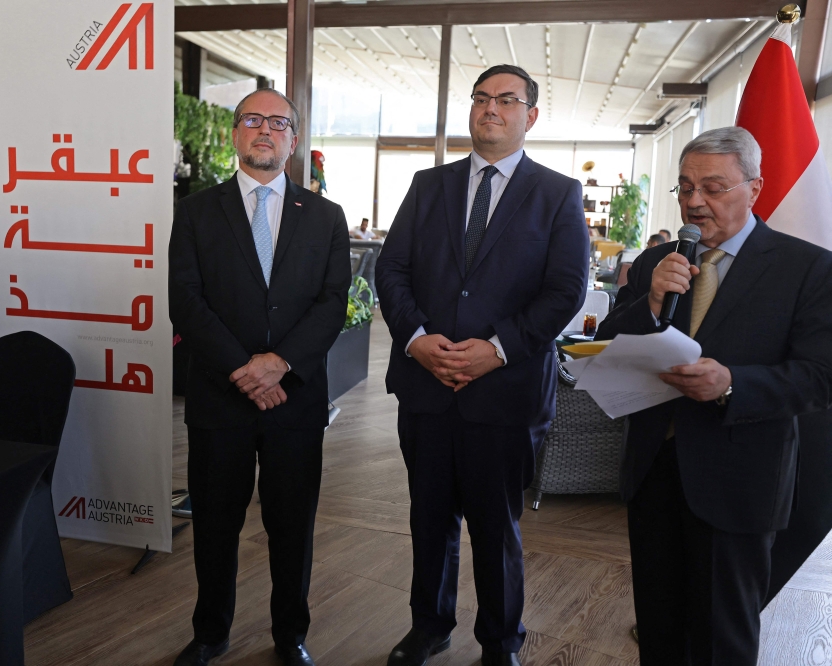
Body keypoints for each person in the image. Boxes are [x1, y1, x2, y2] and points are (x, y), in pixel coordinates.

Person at [376, 64, 589, 666]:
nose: (490, 108)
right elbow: (390, 269)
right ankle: (429, 625)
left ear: (531, 116)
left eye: (506, 99)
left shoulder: (557, 194)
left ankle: (500, 641)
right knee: (428, 517)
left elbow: (566, 290)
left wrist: (496, 349)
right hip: (426, 385)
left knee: (496, 527)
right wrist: (417, 338)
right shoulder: (427, 184)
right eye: (480, 98)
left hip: (506, 391)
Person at [595, 127, 832, 665]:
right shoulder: (660, 262)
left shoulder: (807, 267)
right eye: (684, 187)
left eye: (714, 187)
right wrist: (651, 305)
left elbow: (820, 376)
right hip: (653, 471)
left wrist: (732, 384)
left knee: (721, 637)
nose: (695, 201)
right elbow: (607, 341)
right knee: (658, 627)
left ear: (755, 188)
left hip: (739, 479)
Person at [169, 88, 351, 666]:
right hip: (220, 399)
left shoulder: (325, 217)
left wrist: (280, 365)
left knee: (292, 525)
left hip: (294, 400)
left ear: (294, 140)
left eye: (279, 122)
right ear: (235, 134)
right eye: (253, 120)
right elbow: (185, 300)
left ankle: (289, 634)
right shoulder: (197, 211)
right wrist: (241, 369)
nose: (265, 131)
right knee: (215, 525)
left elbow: (332, 301)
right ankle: (210, 632)